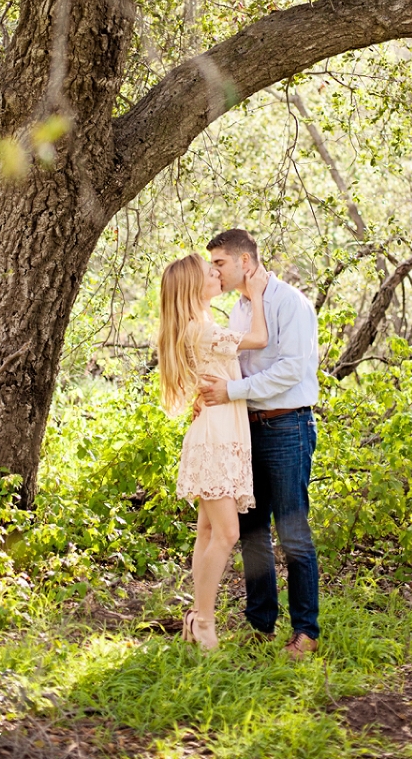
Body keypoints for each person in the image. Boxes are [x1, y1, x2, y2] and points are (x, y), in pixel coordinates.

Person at [200, 229, 320, 660]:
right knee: (252, 532)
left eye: (219, 263)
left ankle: (305, 632)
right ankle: (260, 626)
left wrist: (231, 392)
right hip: (245, 430)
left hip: (288, 427)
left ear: (245, 262)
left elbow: (291, 370)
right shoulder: (238, 310)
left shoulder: (291, 304)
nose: (214, 271)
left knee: (292, 533)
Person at [158, 252, 269, 650]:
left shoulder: (200, 326)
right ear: (194, 287)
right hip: (216, 439)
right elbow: (259, 339)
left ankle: (197, 618)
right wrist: (256, 295)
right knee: (226, 533)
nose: (217, 275)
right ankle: (203, 621)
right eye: (210, 272)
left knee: (208, 532)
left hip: (220, 432)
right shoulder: (201, 330)